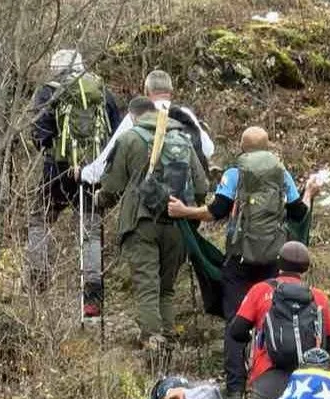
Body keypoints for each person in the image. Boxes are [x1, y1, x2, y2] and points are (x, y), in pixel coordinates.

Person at [167, 127, 321, 399]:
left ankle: (235, 390)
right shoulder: (281, 174)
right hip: (273, 261)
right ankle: (273, 384)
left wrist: (184, 212)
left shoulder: (234, 174)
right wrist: (309, 192)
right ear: (268, 146)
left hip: (239, 261)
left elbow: (215, 211)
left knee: (236, 322)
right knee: (274, 317)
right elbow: (299, 212)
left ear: (242, 147)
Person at [97, 97, 210, 350]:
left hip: (142, 222)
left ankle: (152, 339)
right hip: (178, 222)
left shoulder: (129, 139)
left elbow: (112, 187)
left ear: (133, 116)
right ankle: (168, 336)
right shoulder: (183, 138)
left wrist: (99, 200)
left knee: (147, 284)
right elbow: (201, 187)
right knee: (166, 288)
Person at [27, 50, 123, 312]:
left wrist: (56, 152)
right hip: (92, 171)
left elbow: (39, 133)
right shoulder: (101, 90)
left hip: (57, 171)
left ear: (55, 68)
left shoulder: (49, 91)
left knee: (39, 220)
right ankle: (92, 298)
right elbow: (116, 133)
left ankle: (38, 284)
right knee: (89, 230)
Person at [229, 241, 330, 399]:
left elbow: (236, 331)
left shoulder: (260, 291)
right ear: (305, 267)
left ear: (278, 263)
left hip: (268, 373)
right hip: (307, 377)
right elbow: (329, 343)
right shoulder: (318, 297)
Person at [81, 70, 215, 186]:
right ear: (171, 91)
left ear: (146, 91)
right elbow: (208, 150)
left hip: (150, 195)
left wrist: (85, 174)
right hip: (185, 196)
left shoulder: (136, 116)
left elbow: (107, 160)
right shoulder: (184, 113)